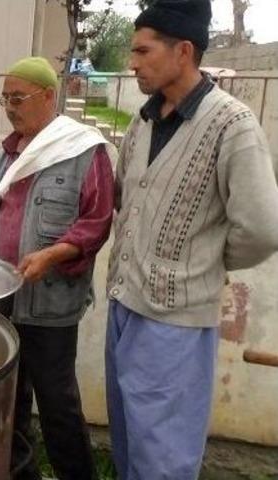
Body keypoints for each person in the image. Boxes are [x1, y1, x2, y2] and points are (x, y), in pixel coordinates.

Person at [106, 1, 278, 478]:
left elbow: (263, 230)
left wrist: (200, 261)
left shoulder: (232, 125)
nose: (133, 62)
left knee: (162, 459)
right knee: (128, 443)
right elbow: (126, 197)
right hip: (124, 306)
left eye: (143, 51)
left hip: (175, 325)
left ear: (184, 51)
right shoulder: (142, 122)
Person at [0, 56, 115, 480]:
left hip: (50, 305)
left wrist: (53, 254)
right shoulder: (6, 155)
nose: (10, 107)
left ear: (49, 97)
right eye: (5, 99)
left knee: (58, 405)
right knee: (8, 399)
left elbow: (96, 222)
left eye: (18, 98)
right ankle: (21, 474)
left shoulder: (83, 151)